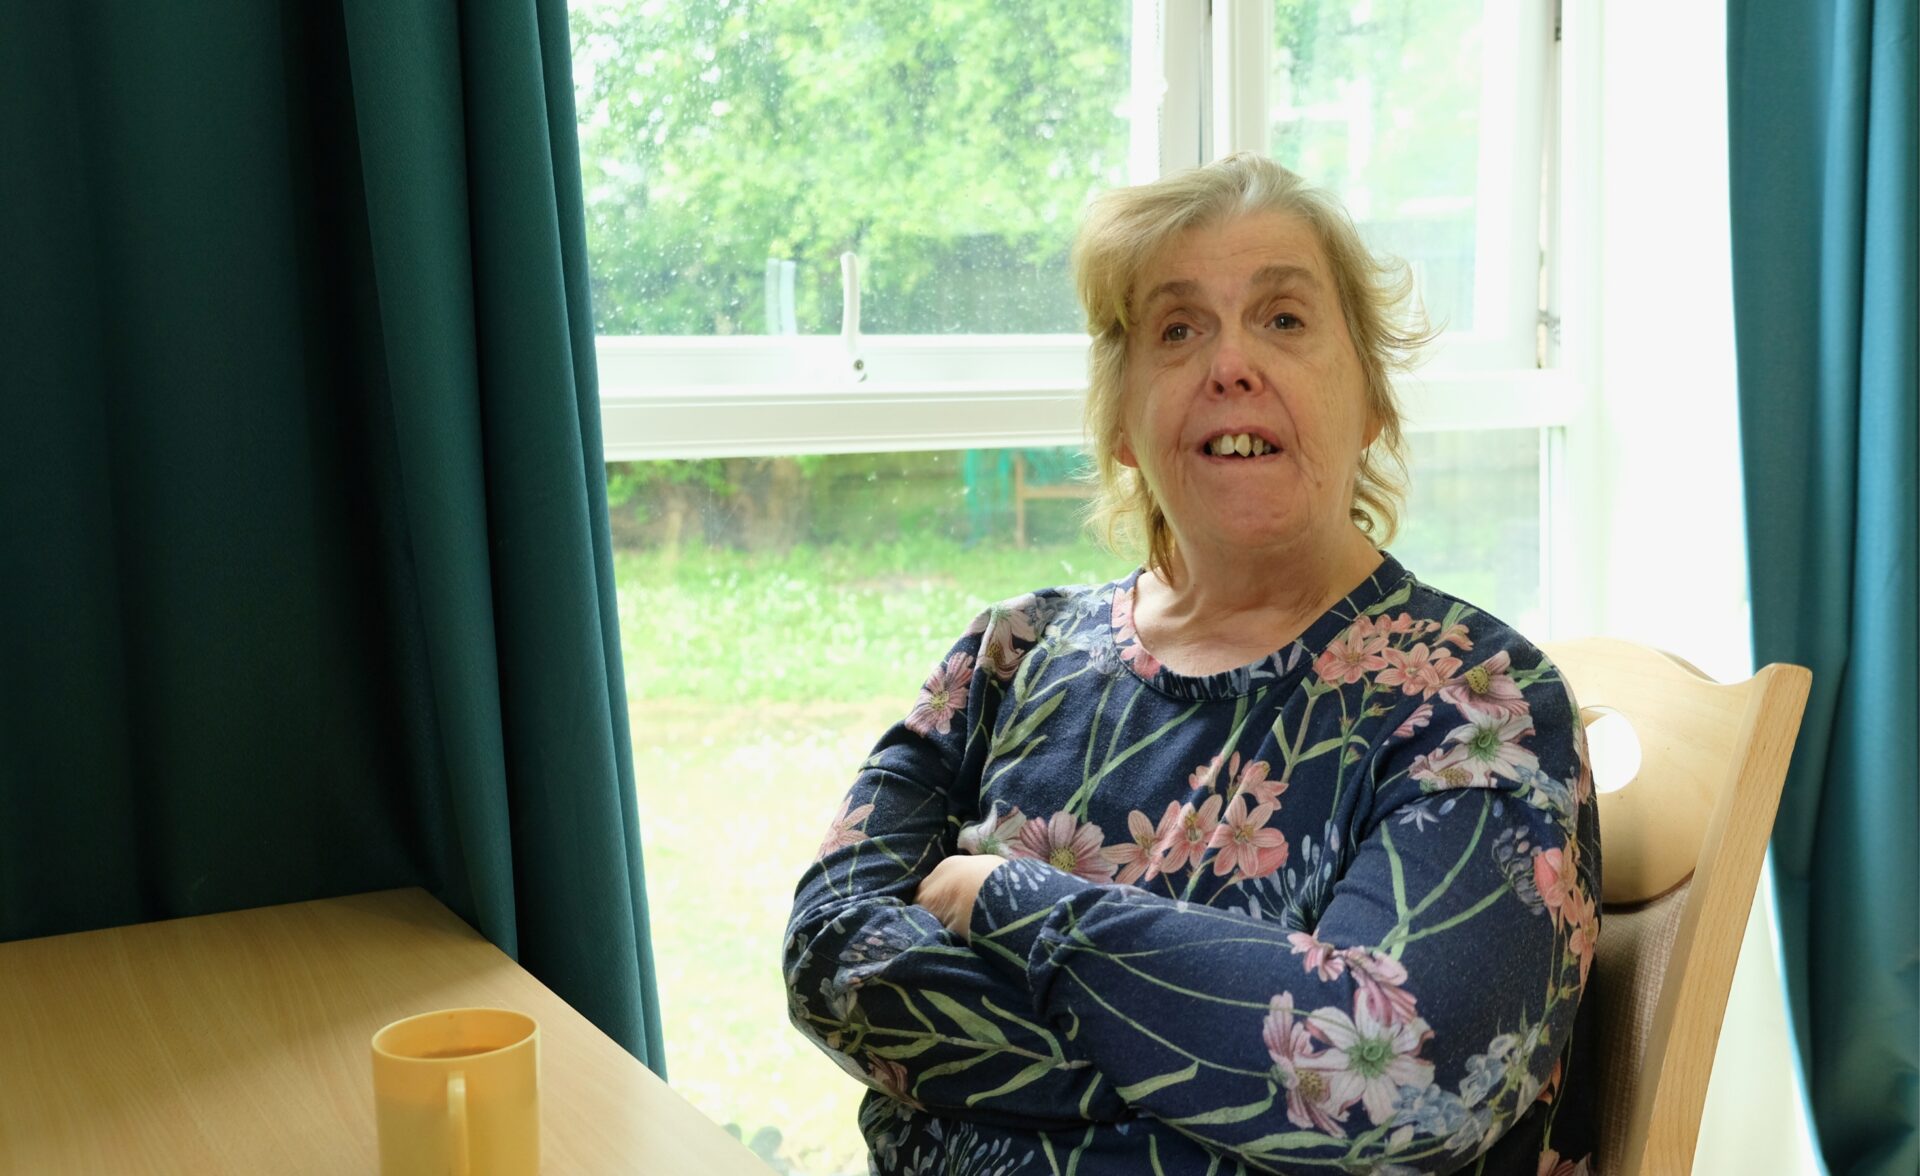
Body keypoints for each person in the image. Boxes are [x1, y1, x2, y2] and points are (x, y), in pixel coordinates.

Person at [783, 153, 1600, 1176]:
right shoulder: (1012, 654)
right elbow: (830, 954)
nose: (1230, 364)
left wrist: (1005, 902)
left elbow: (1400, 1085)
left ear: (1373, 401)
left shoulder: (1476, 699)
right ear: (1124, 418)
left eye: (1286, 320)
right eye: (1177, 330)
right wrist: (1201, 1076)